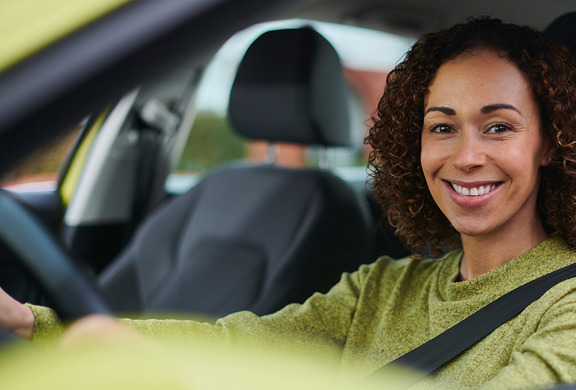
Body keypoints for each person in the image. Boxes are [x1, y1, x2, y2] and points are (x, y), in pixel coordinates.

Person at [2, 16, 576, 389]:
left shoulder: (565, 305)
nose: (466, 156)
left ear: (550, 142)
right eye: (442, 128)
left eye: (499, 128)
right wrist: (33, 325)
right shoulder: (382, 288)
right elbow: (243, 345)